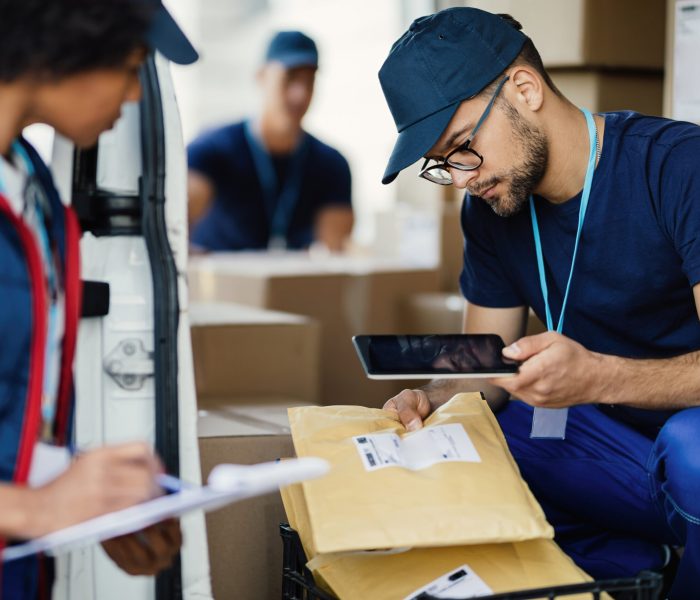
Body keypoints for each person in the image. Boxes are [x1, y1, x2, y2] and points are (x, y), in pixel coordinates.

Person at [377, 7, 700, 599]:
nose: (458, 179)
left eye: (460, 147)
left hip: (685, 448)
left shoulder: (680, 167)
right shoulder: (492, 207)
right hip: (609, 450)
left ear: (523, 89)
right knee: (476, 433)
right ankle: (634, 569)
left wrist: (597, 377)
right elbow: (483, 369)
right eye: (440, 165)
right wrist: (433, 396)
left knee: (694, 450)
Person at [0, 0, 198, 596]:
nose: (134, 94)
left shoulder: (30, 191)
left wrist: (84, 494)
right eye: (131, 64)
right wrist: (31, 511)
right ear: (69, 44)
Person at [187, 30, 353, 252]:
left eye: (309, 81)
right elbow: (174, 225)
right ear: (262, 77)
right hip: (223, 283)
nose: (300, 94)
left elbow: (334, 251)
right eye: (290, 78)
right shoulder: (212, 149)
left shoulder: (331, 164)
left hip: (292, 285)